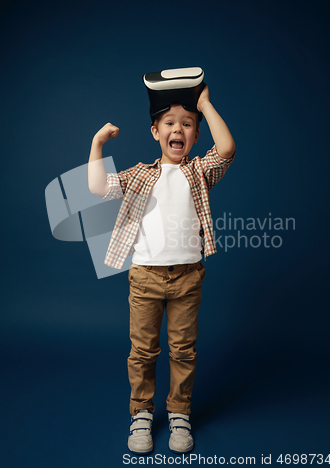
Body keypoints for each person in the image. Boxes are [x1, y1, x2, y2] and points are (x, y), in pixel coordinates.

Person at [88, 83, 235, 455]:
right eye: (169, 123)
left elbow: (227, 149)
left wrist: (204, 103)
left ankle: (180, 412)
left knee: (183, 350)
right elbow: (95, 187)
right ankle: (141, 412)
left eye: (187, 124)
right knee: (143, 351)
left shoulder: (199, 172)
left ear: (196, 135)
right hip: (145, 277)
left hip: (187, 277)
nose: (178, 129)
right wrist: (97, 144)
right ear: (156, 132)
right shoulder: (139, 175)